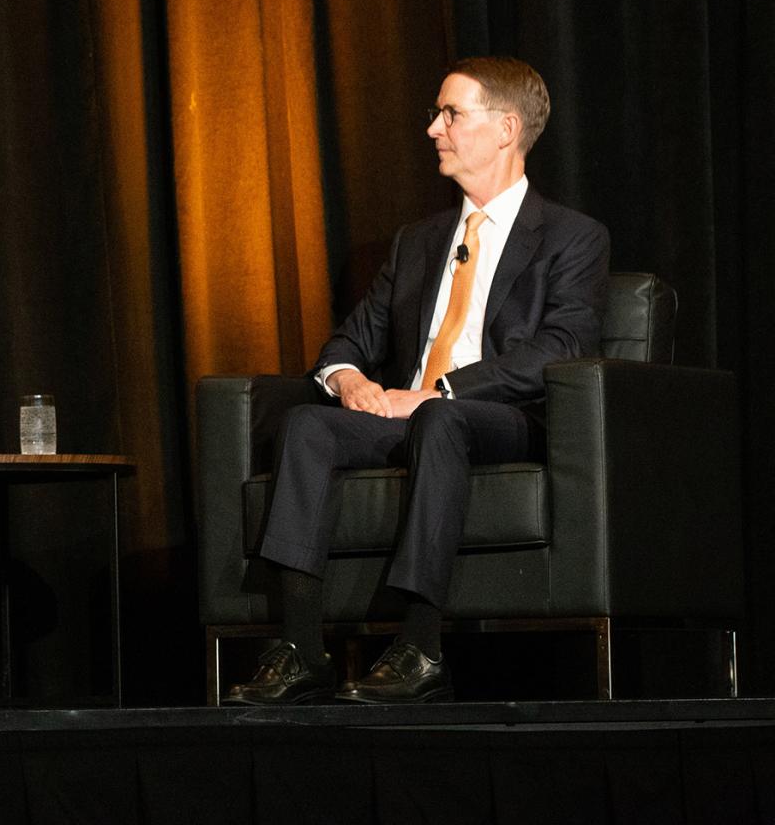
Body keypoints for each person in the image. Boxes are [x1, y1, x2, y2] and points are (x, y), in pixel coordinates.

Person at [224, 57, 609, 705]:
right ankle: (298, 647)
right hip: (411, 415)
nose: (434, 128)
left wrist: (443, 392)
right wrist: (349, 383)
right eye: (437, 114)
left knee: (440, 418)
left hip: (501, 417)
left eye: (451, 113)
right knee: (308, 425)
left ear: (506, 128)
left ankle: (421, 646)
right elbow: (350, 342)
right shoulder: (418, 243)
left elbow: (562, 347)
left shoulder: (571, 237)